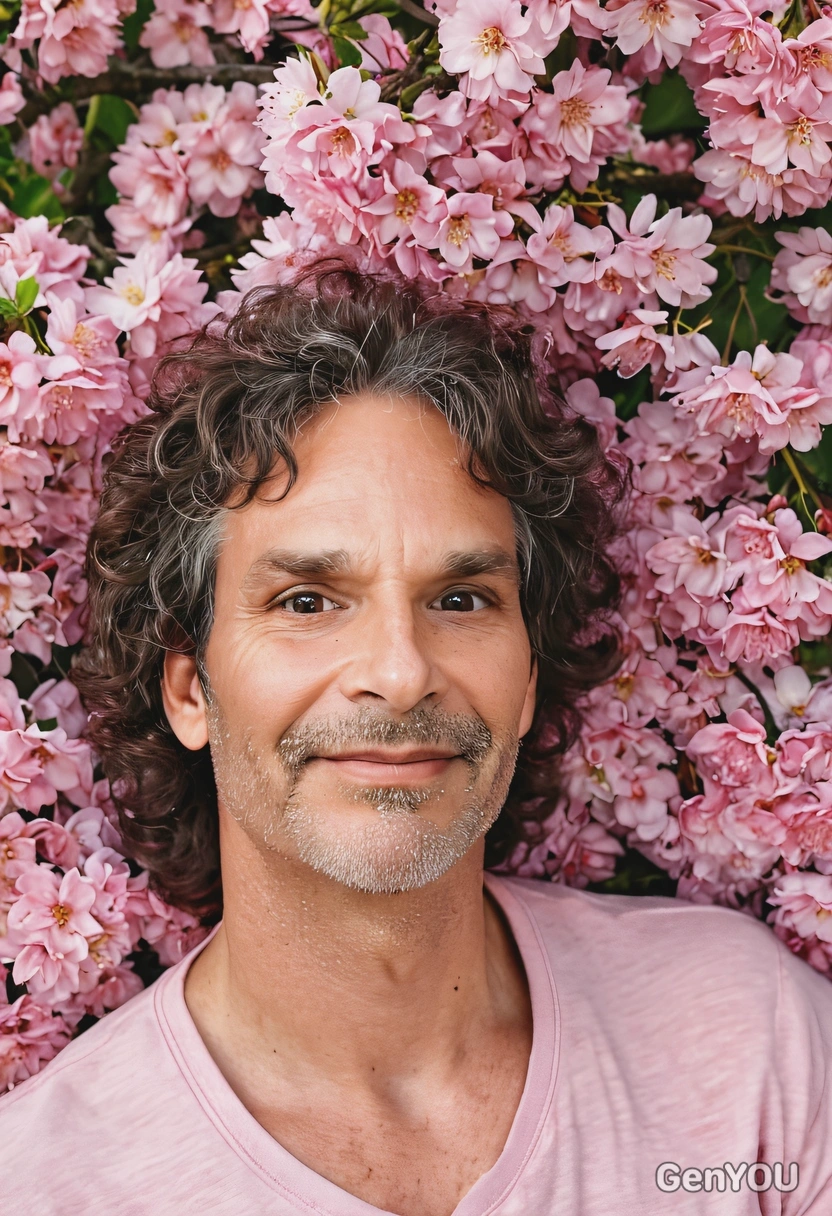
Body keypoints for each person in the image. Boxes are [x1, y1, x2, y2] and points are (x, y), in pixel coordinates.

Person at [0, 262, 831, 1216]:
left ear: (525, 681)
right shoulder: (41, 1189)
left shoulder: (750, 1053)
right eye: (307, 601)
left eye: (462, 598)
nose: (399, 671)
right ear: (190, 689)